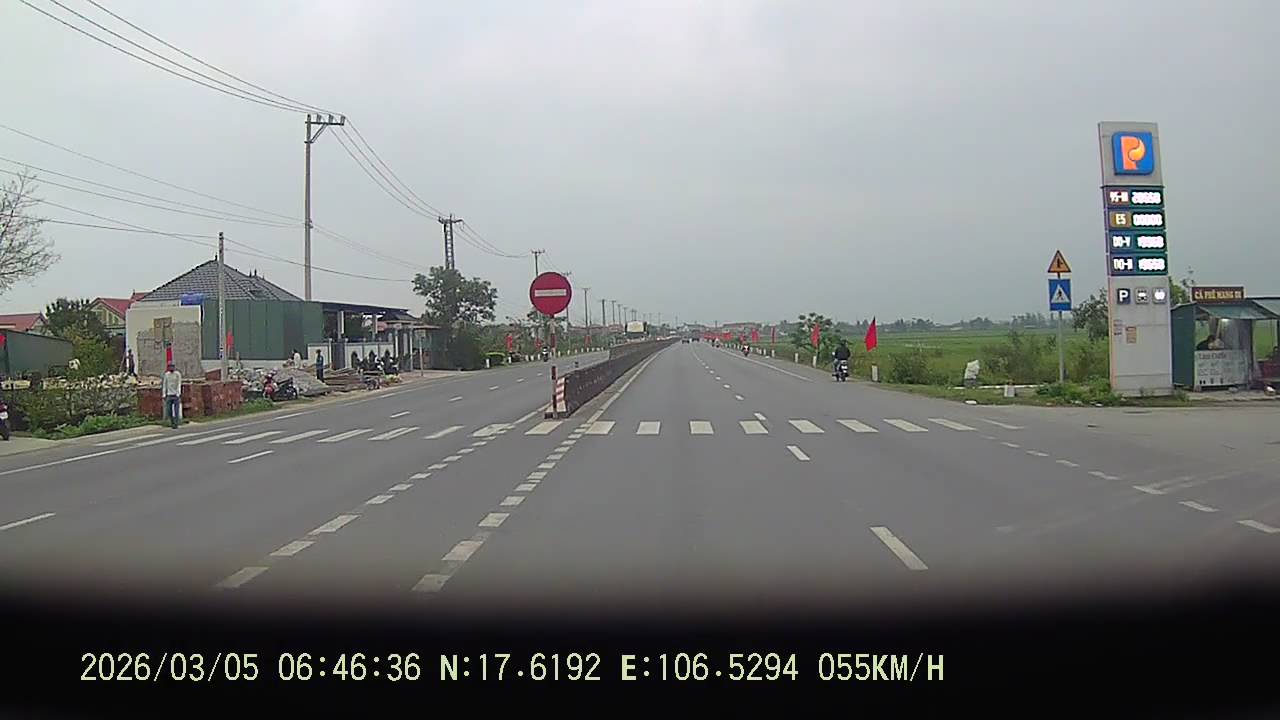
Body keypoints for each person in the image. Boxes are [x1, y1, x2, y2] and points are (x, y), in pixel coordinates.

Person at [162, 362, 182, 429]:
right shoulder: (166, 375)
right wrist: (164, 394)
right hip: (169, 394)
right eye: (170, 367)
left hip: (176, 394)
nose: (171, 368)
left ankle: (176, 423)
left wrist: (178, 393)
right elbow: (165, 384)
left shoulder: (177, 374)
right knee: (169, 410)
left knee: (176, 410)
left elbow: (179, 384)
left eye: (172, 367)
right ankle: (172, 422)